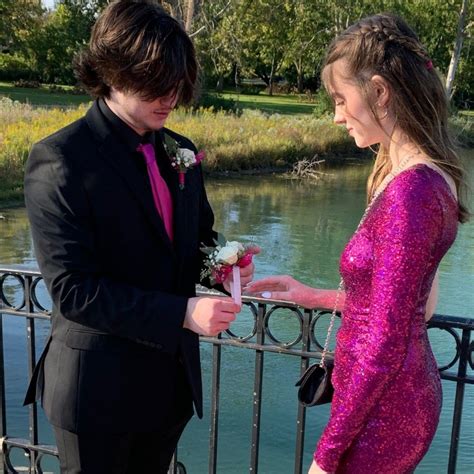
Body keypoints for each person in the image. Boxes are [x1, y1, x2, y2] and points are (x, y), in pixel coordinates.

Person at [23, 1, 257, 473]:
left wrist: (221, 266)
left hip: (168, 387)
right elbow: (74, 291)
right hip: (96, 394)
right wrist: (183, 312)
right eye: (155, 82)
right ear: (111, 71)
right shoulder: (61, 159)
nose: (170, 97)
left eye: (177, 83)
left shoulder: (181, 150)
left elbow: (194, 242)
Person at [246, 13, 468, 474]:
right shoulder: (421, 177)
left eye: (341, 99)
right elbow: (417, 308)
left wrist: (325, 458)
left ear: (380, 92)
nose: (336, 115)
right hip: (393, 400)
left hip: (384, 414)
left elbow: (386, 341)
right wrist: (312, 295)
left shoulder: (410, 192)